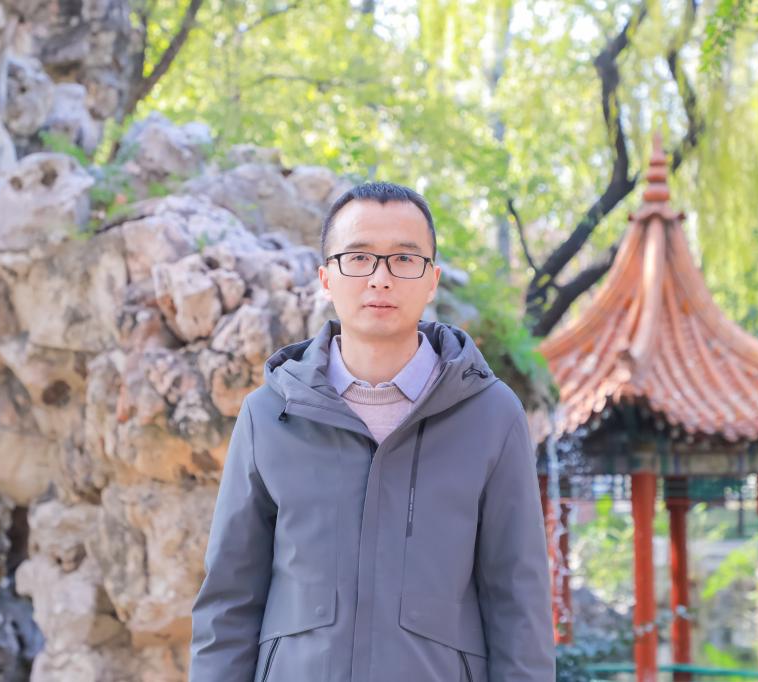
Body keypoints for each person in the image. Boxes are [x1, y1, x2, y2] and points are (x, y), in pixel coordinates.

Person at [189, 182, 554, 682]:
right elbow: (228, 603)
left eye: (404, 259)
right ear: (326, 277)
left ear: (432, 280)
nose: (380, 279)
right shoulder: (269, 415)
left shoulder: (490, 415)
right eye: (358, 258)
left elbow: (519, 605)